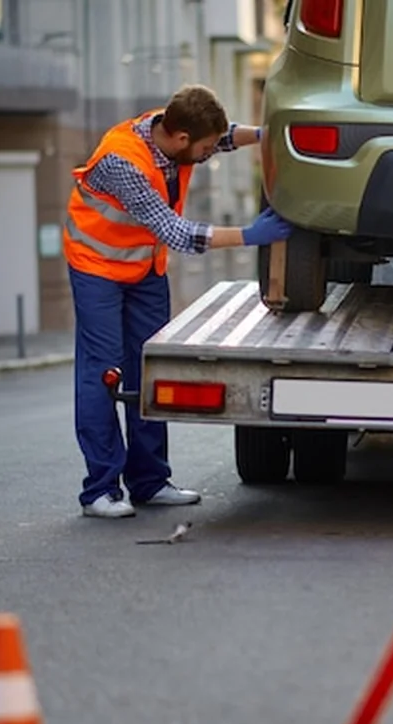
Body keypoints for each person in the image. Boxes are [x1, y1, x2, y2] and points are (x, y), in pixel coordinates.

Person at [63, 84, 292, 519]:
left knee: (149, 369)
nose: (209, 155)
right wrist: (248, 236)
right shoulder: (122, 163)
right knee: (104, 374)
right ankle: (100, 490)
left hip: (145, 269)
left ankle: (149, 482)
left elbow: (221, 137)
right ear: (182, 139)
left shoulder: (170, 130)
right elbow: (177, 232)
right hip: (98, 268)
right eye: (204, 149)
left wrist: (266, 134)